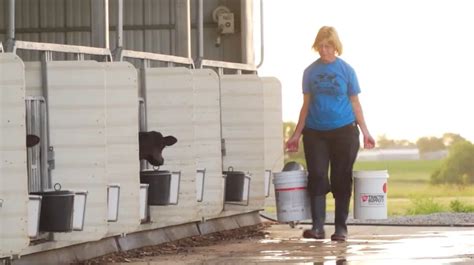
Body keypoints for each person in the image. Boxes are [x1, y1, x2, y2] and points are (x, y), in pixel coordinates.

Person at [286, 26, 375, 242]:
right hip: (315, 132)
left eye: (328, 46)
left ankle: (340, 228)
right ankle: (317, 228)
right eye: (321, 46)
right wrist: (296, 134)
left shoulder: (346, 70)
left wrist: (366, 132)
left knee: (341, 178)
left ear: (336, 47)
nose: (324, 51)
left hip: (344, 131)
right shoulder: (310, 72)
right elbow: (305, 105)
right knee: (317, 176)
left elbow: (355, 103)